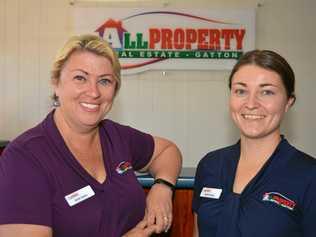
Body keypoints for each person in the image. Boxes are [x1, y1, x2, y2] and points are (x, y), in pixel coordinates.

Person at [0, 34, 182, 237]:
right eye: (80, 78)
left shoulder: (115, 136)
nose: (93, 92)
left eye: (104, 81)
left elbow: (167, 151)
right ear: (56, 83)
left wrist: (162, 187)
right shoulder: (25, 157)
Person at [192, 50, 316, 237]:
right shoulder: (210, 165)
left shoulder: (309, 176)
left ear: (288, 102)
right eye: (241, 91)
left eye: (266, 92)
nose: (251, 103)